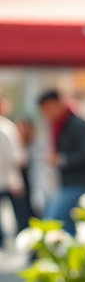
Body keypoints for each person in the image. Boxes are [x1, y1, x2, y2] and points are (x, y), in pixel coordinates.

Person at [37, 90, 85, 233]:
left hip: (81, 183)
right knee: (68, 226)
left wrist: (62, 159)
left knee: (53, 222)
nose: (46, 114)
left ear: (56, 104)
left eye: (47, 109)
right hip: (70, 183)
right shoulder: (61, 125)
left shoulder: (76, 124)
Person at [0, 92, 31, 232]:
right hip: (10, 180)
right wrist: (17, 180)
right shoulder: (7, 128)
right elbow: (17, 158)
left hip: (6, 179)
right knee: (20, 217)